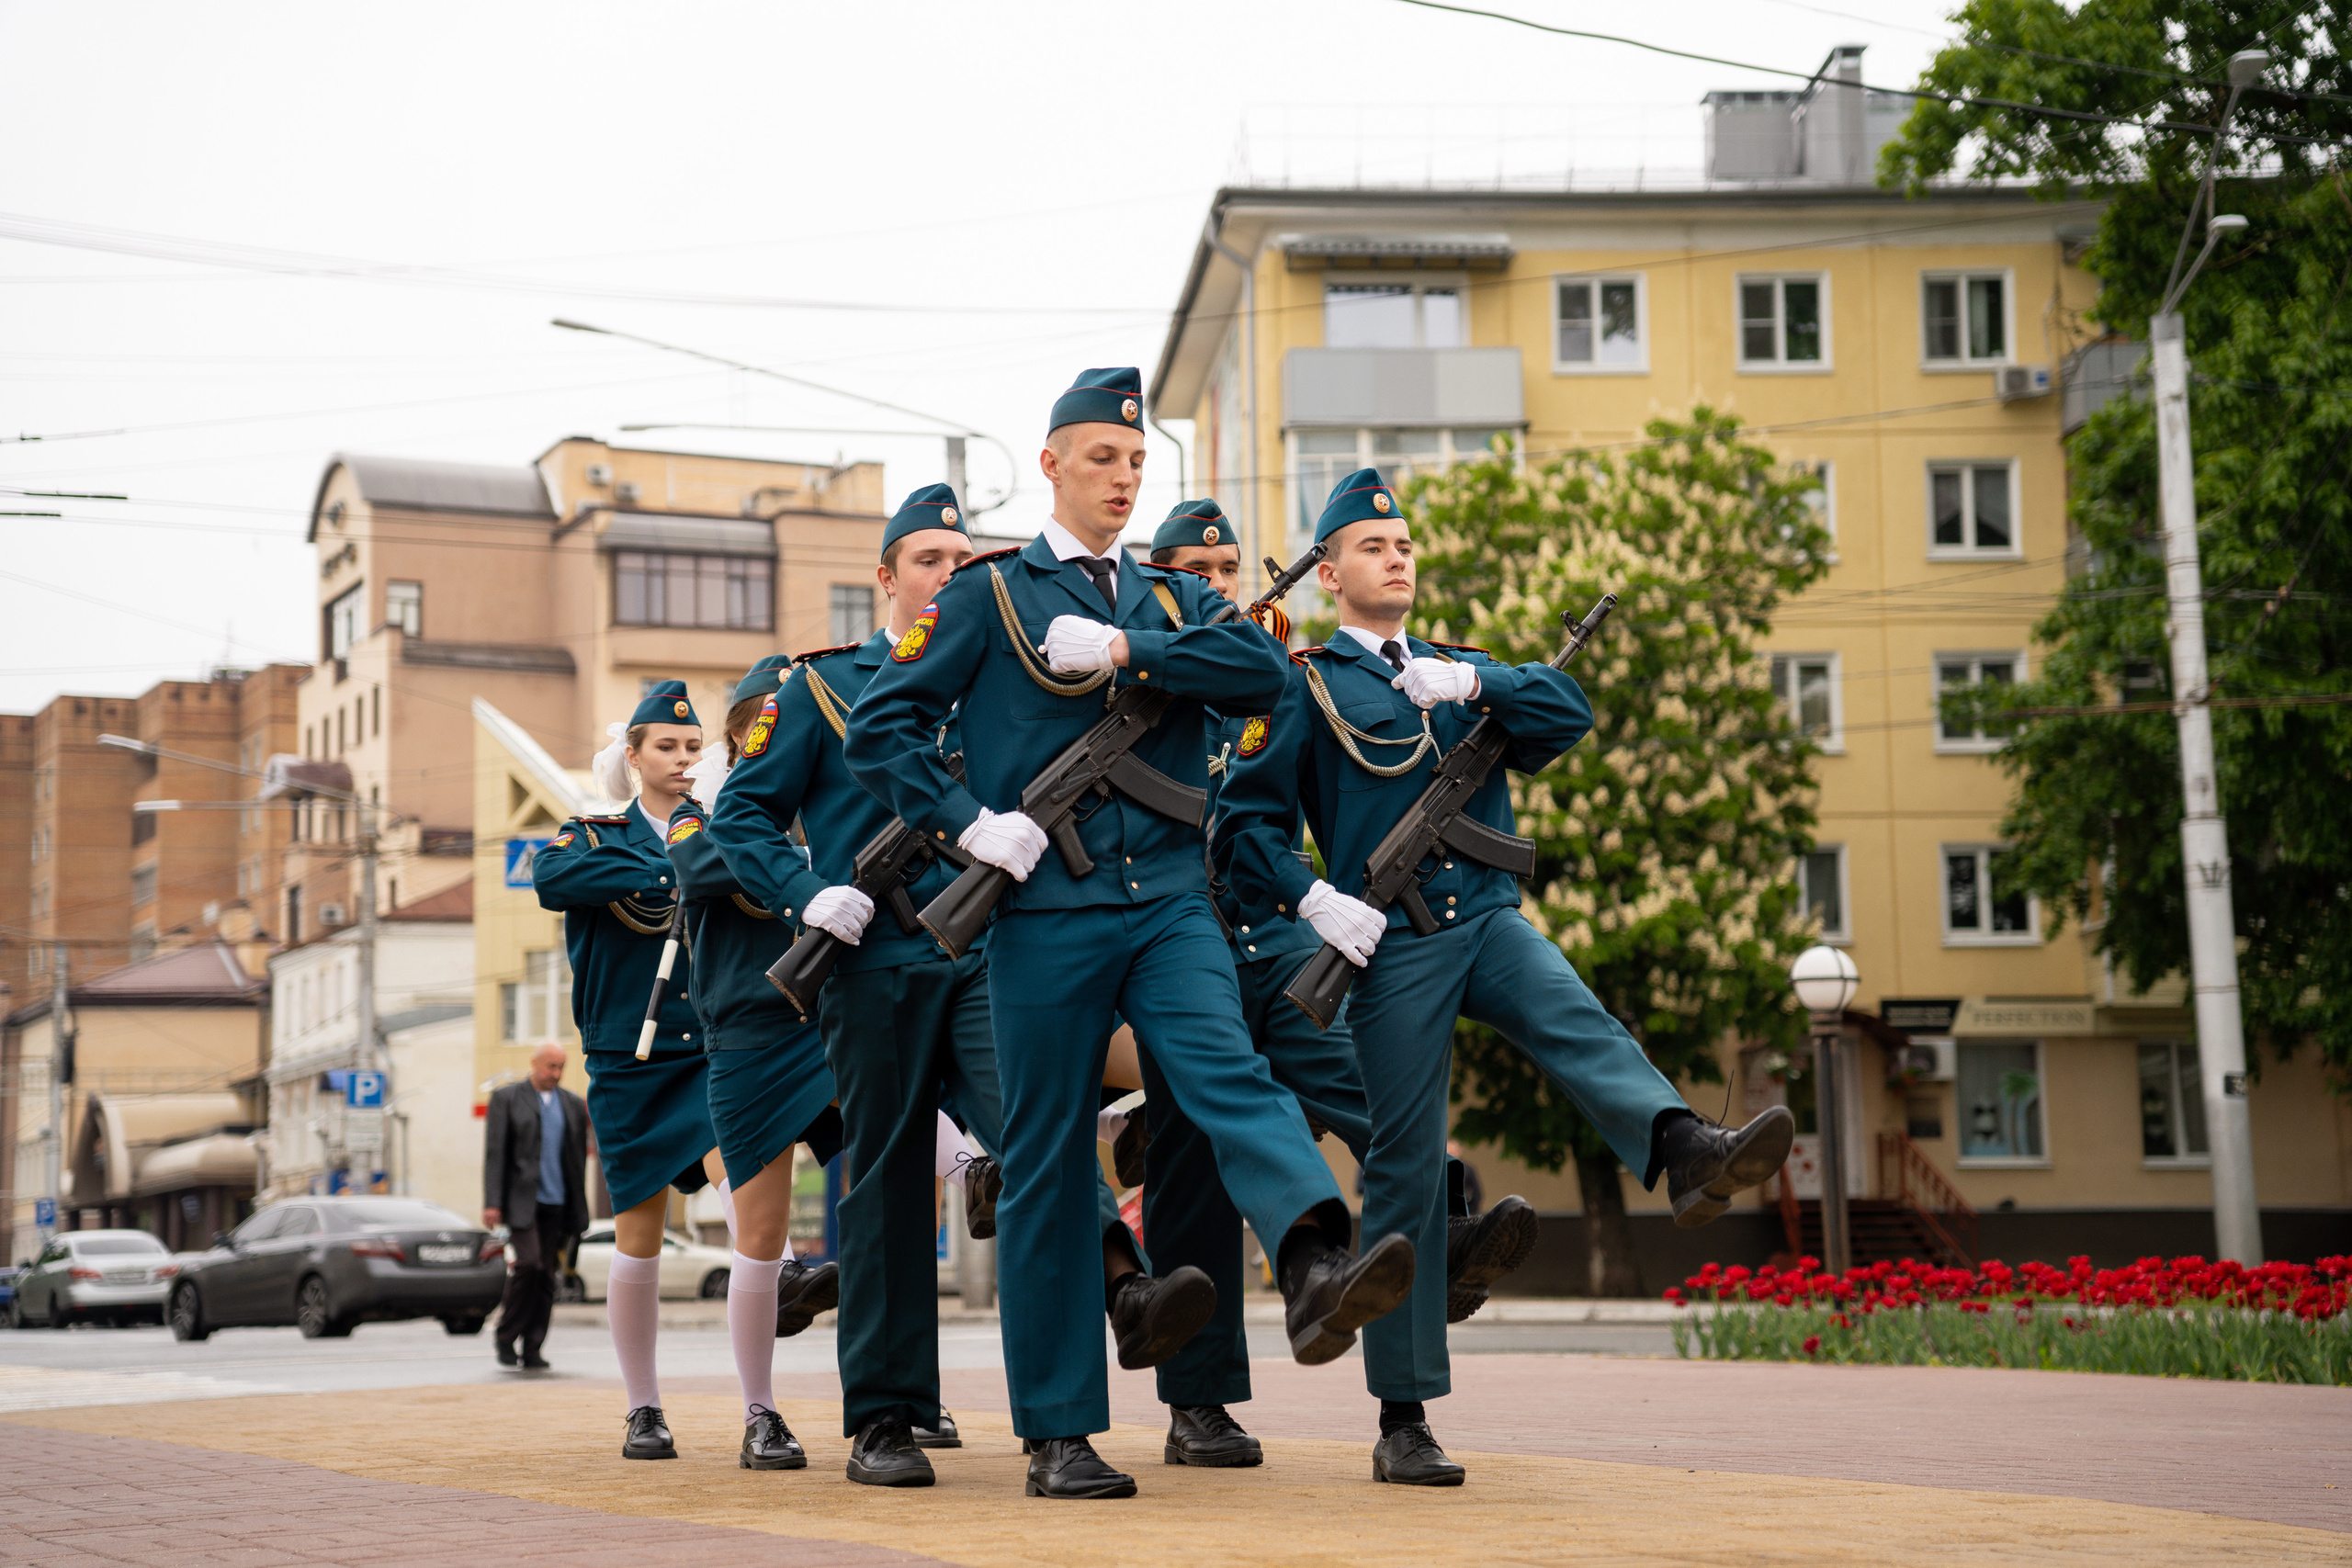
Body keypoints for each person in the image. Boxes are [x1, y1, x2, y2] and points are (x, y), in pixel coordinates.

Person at [844, 372, 1416, 1500]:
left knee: (1223, 1071)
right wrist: (972, 824)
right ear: (1052, 464)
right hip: (1041, 910)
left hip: (1165, 898)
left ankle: (1312, 1257)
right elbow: (882, 728)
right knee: (1050, 1159)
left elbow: (1258, 669)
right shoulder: (990, 597)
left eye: (1136, 461)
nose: (1122, 476)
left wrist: (1123, 653)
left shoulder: (1166, 600)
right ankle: (1058, 1434)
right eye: (1102, 457)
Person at [1218, 469, 1797, 1486]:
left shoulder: (1462, 670)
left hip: (1483, 916)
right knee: (1402, 1164)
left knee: (1579, 1018)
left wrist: (1477, 685)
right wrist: (1314, 900)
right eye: (1371, 546)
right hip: (1387, 941)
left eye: (1403, 545)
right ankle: (1404, 1420)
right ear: (1333, 573)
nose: (1395, 557)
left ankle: (1686, 1148)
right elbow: (1245, 831)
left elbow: (1564, 717)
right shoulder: (1302, 686)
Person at [714, 482, 1182, 1491]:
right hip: (871, 960)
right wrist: (805, 894)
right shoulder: (821, 690)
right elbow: (739, 820)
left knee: (1040, 1141)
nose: (948, 576)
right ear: (885, 579)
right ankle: (883, 1415)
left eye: (961, 560)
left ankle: (1083, 1378)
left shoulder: (994, 677)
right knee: (883, 1187)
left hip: (982, 958)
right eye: (928, 560)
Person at [1135, 497, 1539, 1470]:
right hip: (1178, 953)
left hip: (1278, 944)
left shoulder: (1278, 674)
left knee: (1371, 1094)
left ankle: (1438, 1241)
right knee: (1191, 1177)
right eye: (1194, 571)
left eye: (1228, 568)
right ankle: (1199, 1407)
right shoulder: (1148, 676)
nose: (1217, 586)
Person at [531, 680, 729, 1463]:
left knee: (744, 1187)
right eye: (666, 747)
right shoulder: (593, 834)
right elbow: (552, 881)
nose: (682, 760)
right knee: (640, 1236)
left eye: (691, 748)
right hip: (629, 1056)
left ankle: (762, 1400)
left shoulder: (719, 827)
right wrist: (668, 867)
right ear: (634, 755)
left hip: (711, 1046)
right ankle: (643, 1406)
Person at [665, 657, 850, 1472]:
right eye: (757, 716)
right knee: (763, 1237)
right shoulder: (699, 814)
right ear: (739, 729)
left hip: (831, 1024)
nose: (771, 727)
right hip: (747, 1034)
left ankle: (903, 1395)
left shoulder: (824, 806)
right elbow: (703, 868)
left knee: (910, 1162)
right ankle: (760, 1412)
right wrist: (799, 875)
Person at [481, 1042, 588, 1371]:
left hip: (559, 1203)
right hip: (521, 1203)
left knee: (546, 1277)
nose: (555, 1074)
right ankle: (505, 1335)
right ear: (534, 1064)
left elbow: (577, 1161)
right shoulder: (507, 1098)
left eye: (560, 1068)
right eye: (550, 1067)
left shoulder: (571, 1104)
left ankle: (532, 1347)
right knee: (528, 1265)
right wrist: (493, 1203)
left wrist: (579, 1208)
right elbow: (496, 1154)